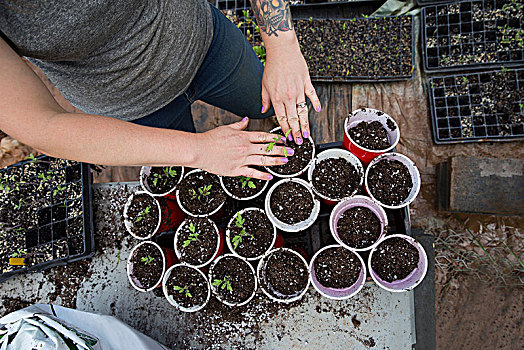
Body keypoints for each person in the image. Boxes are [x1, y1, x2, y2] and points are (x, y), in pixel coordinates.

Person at [0, 0, 320, 180]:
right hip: (135, 108)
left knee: (261, 102)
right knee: (191, 179)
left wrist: (282, 44)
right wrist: (198, 151)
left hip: (207, 43)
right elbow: (41, 125)